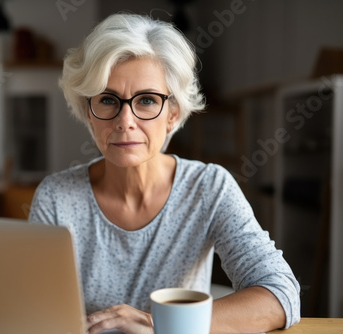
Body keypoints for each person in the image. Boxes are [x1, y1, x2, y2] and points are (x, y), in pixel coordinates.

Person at [29, 13, 300, 334]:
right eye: (107, 99)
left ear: (172, 114)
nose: (125, 121)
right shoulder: (56, 197)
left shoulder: (209, 187)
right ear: (88, 113)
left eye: (145, 100)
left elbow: (280, 294)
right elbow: (34, 311)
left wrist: (157, 323)